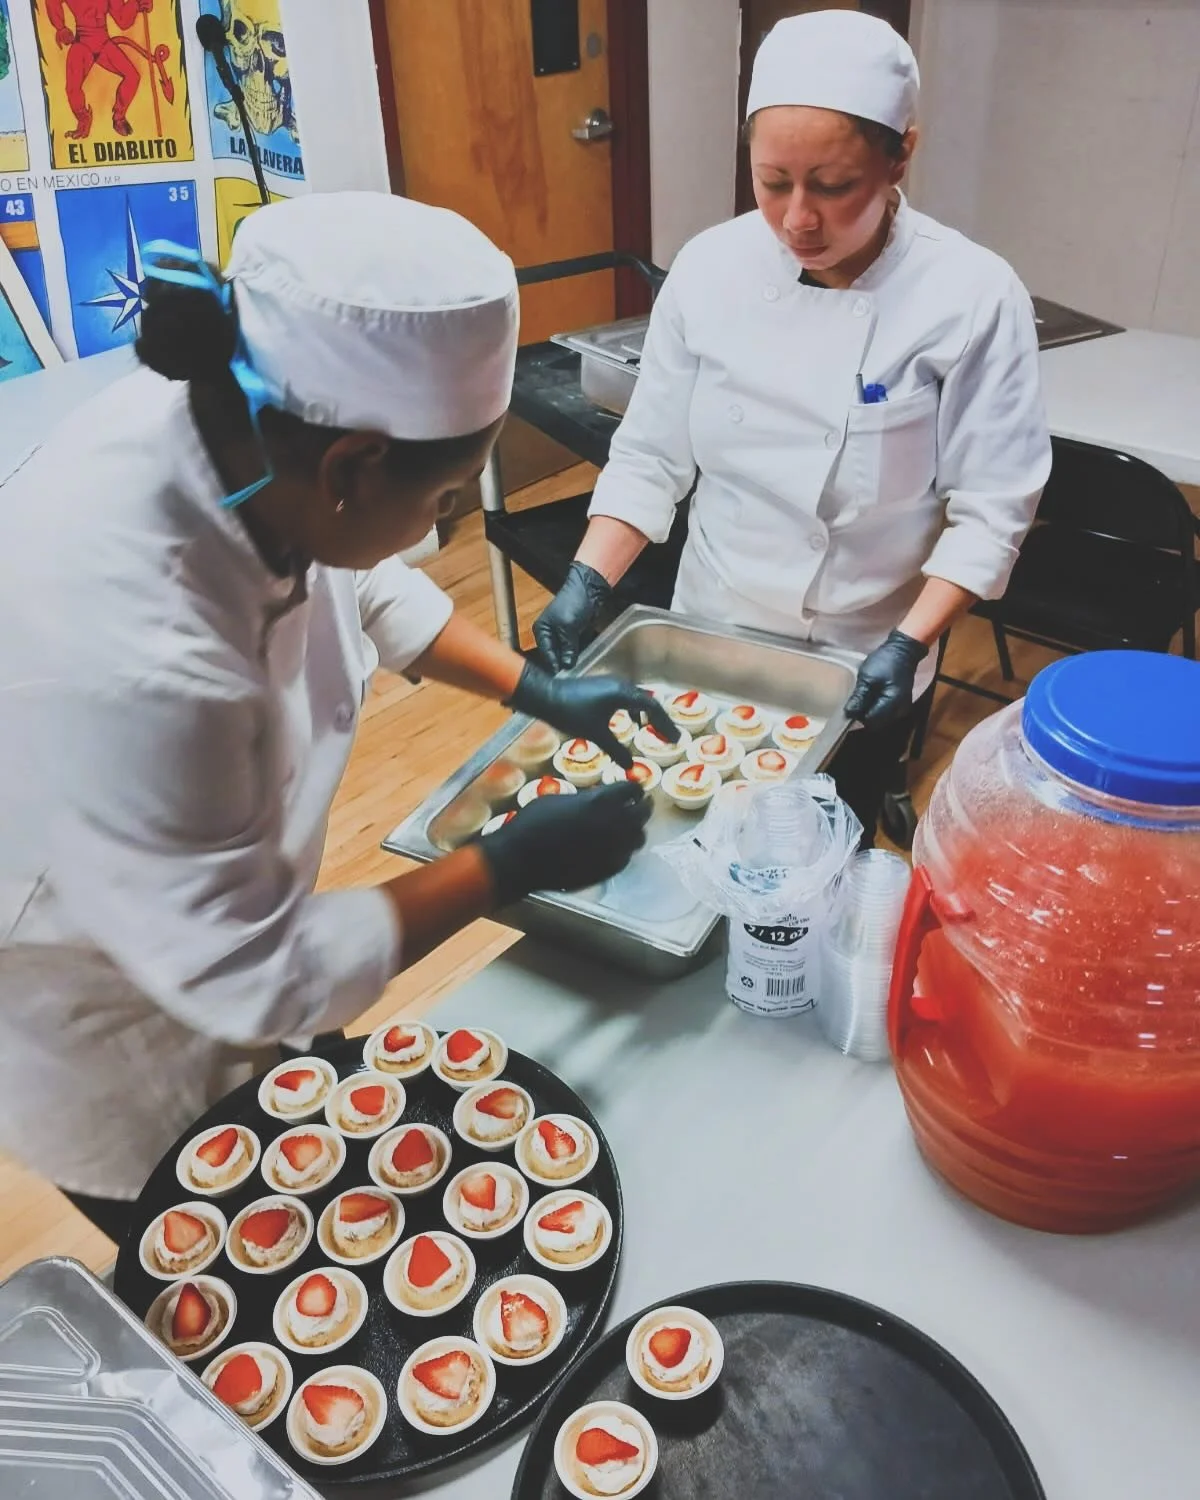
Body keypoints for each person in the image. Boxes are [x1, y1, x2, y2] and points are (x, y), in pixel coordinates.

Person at [0, 192, 674, 1244]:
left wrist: (538, 689)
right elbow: (256, 975)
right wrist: (505, 864)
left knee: (307, 1151)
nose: (444, 520)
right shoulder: (140, 658)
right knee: (223, 1255)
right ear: (353, 466)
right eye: (448, 494)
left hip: (219, 909)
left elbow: (360, 582)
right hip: (113, 1012)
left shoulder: (245, 427)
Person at [534, 10, 1052, 842]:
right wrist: (586, 582)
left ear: (900, 155)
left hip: (862, 658)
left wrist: (908, 646)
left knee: (815, 870)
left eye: (833, 185)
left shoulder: (971, 296)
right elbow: (651, 455)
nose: (798, 218)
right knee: (687, 839)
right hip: (708, 635)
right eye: (772, 182)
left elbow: (992, 508)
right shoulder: (711, 269)